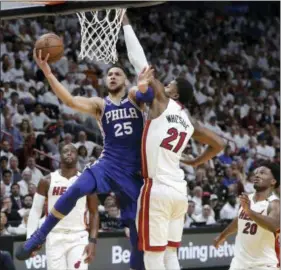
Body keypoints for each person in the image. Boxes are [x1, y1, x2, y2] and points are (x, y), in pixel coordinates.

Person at [16, 14, 150, 270]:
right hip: (108, 163)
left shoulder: (135, 98)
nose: (112, 76)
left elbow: (145, 85)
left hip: (134, 171)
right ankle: (39, 235)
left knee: (135, 231)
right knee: (76, 188)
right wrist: (47, 72)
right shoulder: (100, 105)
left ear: (125, 80)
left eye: (117, 73)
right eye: (109, 73)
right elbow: (69, 101)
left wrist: (143, 82)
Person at [135, 66, 224, 270]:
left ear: (175, 93)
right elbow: (220, 144)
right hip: (179, 192)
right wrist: (195, 162)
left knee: (153, 255)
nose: (166, 84)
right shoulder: (189, 121)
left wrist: (144, 76)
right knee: (170, 254)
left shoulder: (162, 102)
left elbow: (145, 70)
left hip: (157, 188)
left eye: (171, 83)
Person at [26, 144, 99, 270]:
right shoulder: (46, 181)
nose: (69, 153)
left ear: (77, 156)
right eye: (66, 151)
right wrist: (30, 239)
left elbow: (94, 213)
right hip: (54, 236)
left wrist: (92, 241)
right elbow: (35, 211)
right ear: (60, 156)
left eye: (73, 151)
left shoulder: (86, 181)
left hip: (79, 236)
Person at [214, 162, 280, 270]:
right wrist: (222, 235)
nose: (257, 175)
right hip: (239, 263)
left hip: (263, 265)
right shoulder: (248, 199)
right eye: (256, 173)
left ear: (273, 181)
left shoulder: (275, 204)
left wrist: (250, 212)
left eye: (262, 173)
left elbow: (275, 226)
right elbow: (239, 220)